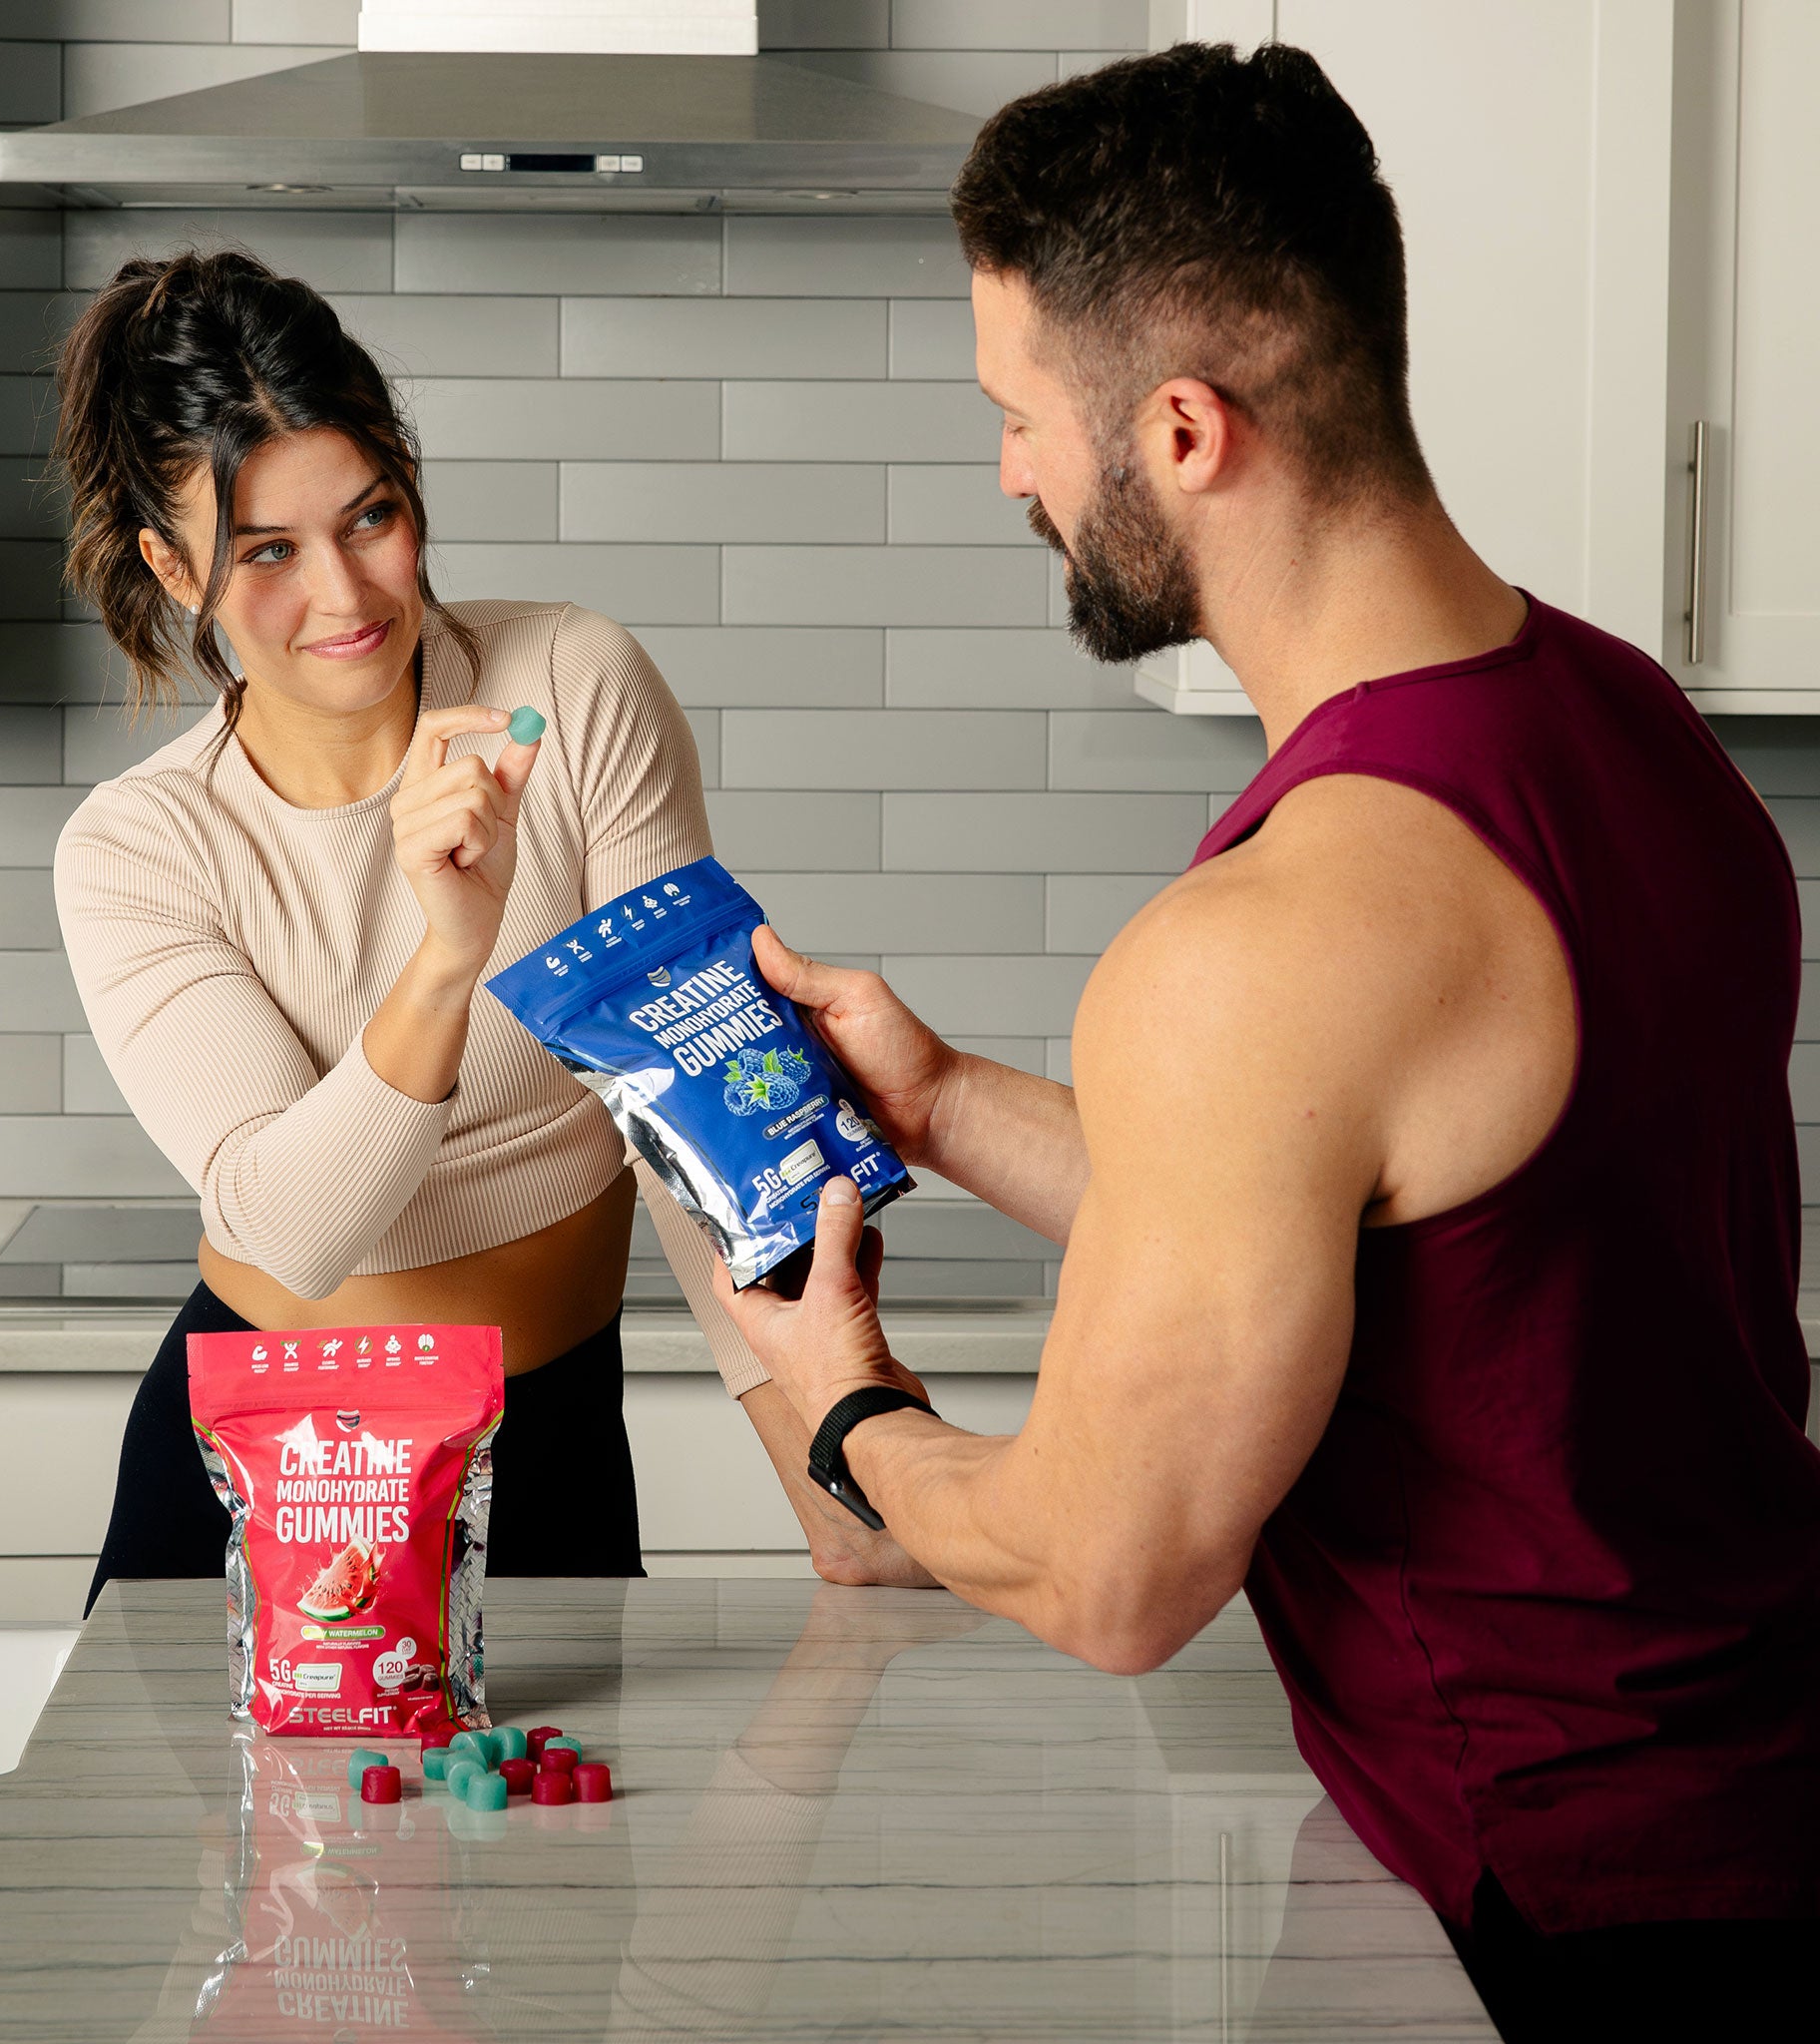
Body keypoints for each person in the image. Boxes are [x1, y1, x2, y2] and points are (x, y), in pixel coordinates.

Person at [717, 43, 1820, 2041]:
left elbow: (1107, 1578)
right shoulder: (1626, 725)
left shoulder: (1268, 939)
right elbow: (1387, 1228)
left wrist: (837, 1398)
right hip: (1760, 1782)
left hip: (1581, 1909)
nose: (1010, 478)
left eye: (1017, 416)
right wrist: (947, 1101)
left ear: (1184, 431)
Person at [50, 250, 904, 1608]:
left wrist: (832, 1461)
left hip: (545, 1429)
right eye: (267, 551)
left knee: (571, 1825)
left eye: (371, 515)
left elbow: (693, 1096)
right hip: (260, 1455)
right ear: (171, 564)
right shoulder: (140, 846)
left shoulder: (568, 684)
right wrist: (451, 953)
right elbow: (293, 1227)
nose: (346, 595)